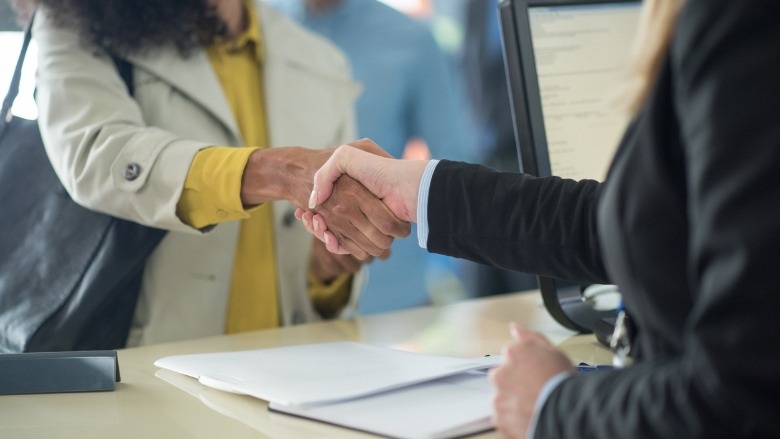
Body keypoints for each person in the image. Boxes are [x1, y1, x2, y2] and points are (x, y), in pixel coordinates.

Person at [298, 0, 780, 437]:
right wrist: (419, 191)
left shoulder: (741, 19)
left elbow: (745, 392)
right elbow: (651, 220)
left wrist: (555, 404)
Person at [24, 0, 409, 347]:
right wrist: (279, 172)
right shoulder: (73, 21)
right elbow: (95, 154)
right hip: (143, 382)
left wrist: (327, 273)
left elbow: (319, 286)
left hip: (287, 382)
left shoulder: (322, 61)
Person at [267, 0, 474, 313]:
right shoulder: (259, 28)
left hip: (390, 294)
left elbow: (454, 164)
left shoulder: (411, 39)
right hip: (275, 290)